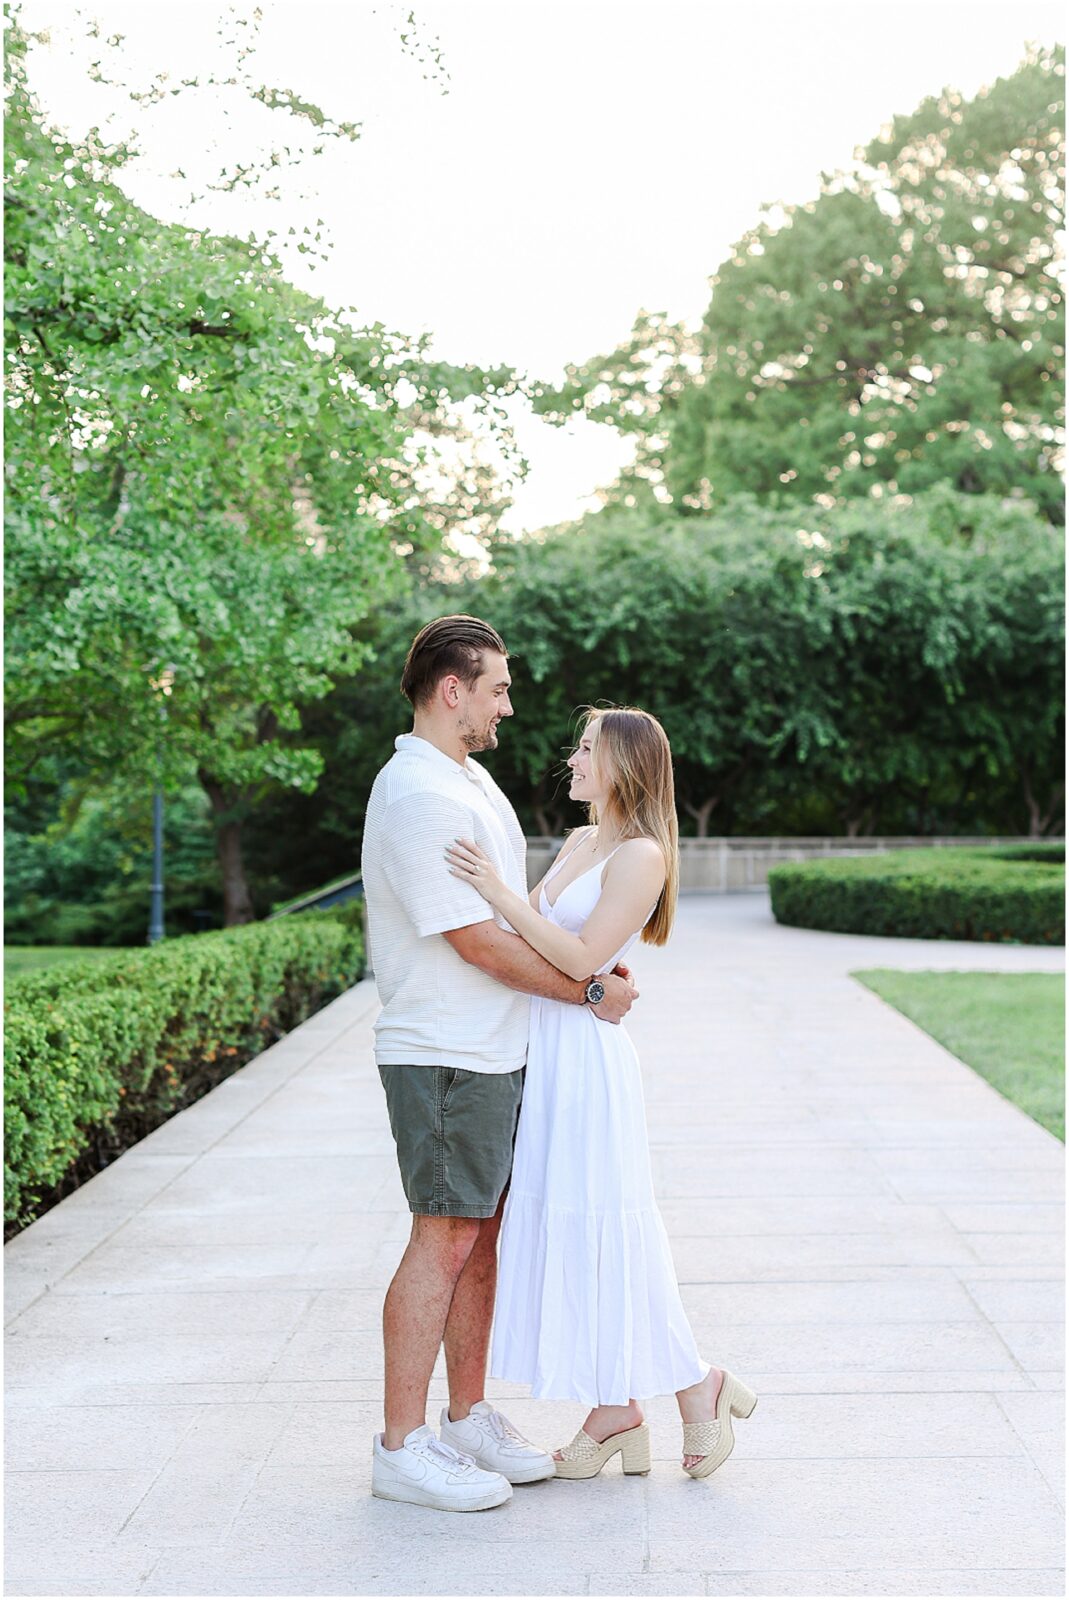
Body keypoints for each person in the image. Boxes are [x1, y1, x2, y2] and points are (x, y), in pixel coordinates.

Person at [361, 615, 639, 1512]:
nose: (508, 707)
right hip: (443, 1052)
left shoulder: (468, 778)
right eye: (498, 690)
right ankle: (401, 1447)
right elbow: (478, 943)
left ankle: (466, 1416)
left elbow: (518, 915)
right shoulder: (418, 796)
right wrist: (588, 993)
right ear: (454, 692)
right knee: (442, 1236)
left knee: (477, 1239)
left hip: (494, 1051)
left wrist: (581, 966)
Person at [445, 706, 757, 1479]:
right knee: (574, 1233)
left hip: (586, 1063)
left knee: (606, 1229)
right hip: (544, 1048)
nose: (572, 760)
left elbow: (582, 954)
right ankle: (630, 1403)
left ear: (622, 763)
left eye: (587, 749)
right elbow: (543, 952)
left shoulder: (642, 855)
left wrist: (502, 892)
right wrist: (526, 921)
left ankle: (684, 1390)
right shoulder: (583, 841)